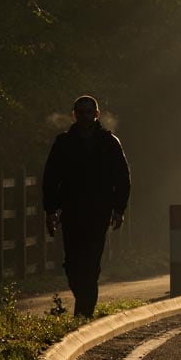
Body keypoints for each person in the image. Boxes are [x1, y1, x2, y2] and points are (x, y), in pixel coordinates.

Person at [42, 95, 131, 317]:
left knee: (91, 261)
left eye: (88, 112)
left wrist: (119, 209)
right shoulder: (63, 143)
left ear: (96, 114)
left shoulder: (109, 143)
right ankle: (84, 301)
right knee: (72, 263)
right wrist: (50, 210)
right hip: (71, 211)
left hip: (98, 211)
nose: (84, 116)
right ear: (74, 115)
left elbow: (122, 177)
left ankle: (84, 312)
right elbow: (51, 177)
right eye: (80, 112)